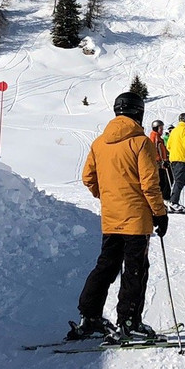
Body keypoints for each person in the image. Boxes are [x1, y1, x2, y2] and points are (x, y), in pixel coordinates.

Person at [69, 91, 168, 341]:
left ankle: (89, 317)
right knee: (135, 270)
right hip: (136, 219)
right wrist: (160, 212)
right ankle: (129, 321)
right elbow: (149, 184)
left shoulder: (99, 143)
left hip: (112, 217)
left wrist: (108, 197)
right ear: (139, 112)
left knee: (106, 266)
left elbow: (88, 178)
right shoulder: (141, 142)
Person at [149, 119, 172, 201]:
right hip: (158, 164)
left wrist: (166, 159)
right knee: (161, 182)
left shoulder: (158, 137)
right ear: (155, 128)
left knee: (164, 182)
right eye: (160, 128)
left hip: (162, 163)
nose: (162, 130)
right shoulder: (154, 137)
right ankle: (161, 199)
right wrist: (160, 160)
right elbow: (154, 150)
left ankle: (163, 199)